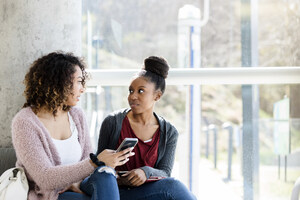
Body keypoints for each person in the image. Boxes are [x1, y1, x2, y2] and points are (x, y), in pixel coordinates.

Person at [11, 51, 134, 200]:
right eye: (79, 81)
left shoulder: (77, 115)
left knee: (106, 175)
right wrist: (95, 162)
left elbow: (86, 162)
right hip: (51, 195)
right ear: (59, 82)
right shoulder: (25, 122)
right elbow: (45, 178)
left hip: (80, 186)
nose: (82, 89)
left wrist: (81, 178)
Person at [93, 56, 197, 200]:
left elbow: (165, 172)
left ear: (157, 96)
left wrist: (145, 172)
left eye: (141, 91)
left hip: (148, 193)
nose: (133, 96)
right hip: (115, 191)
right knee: (174, 187)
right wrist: (120, 179)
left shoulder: (169, 132)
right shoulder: (113, 122)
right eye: (131, 91)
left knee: (173, 186)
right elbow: (98, 167)